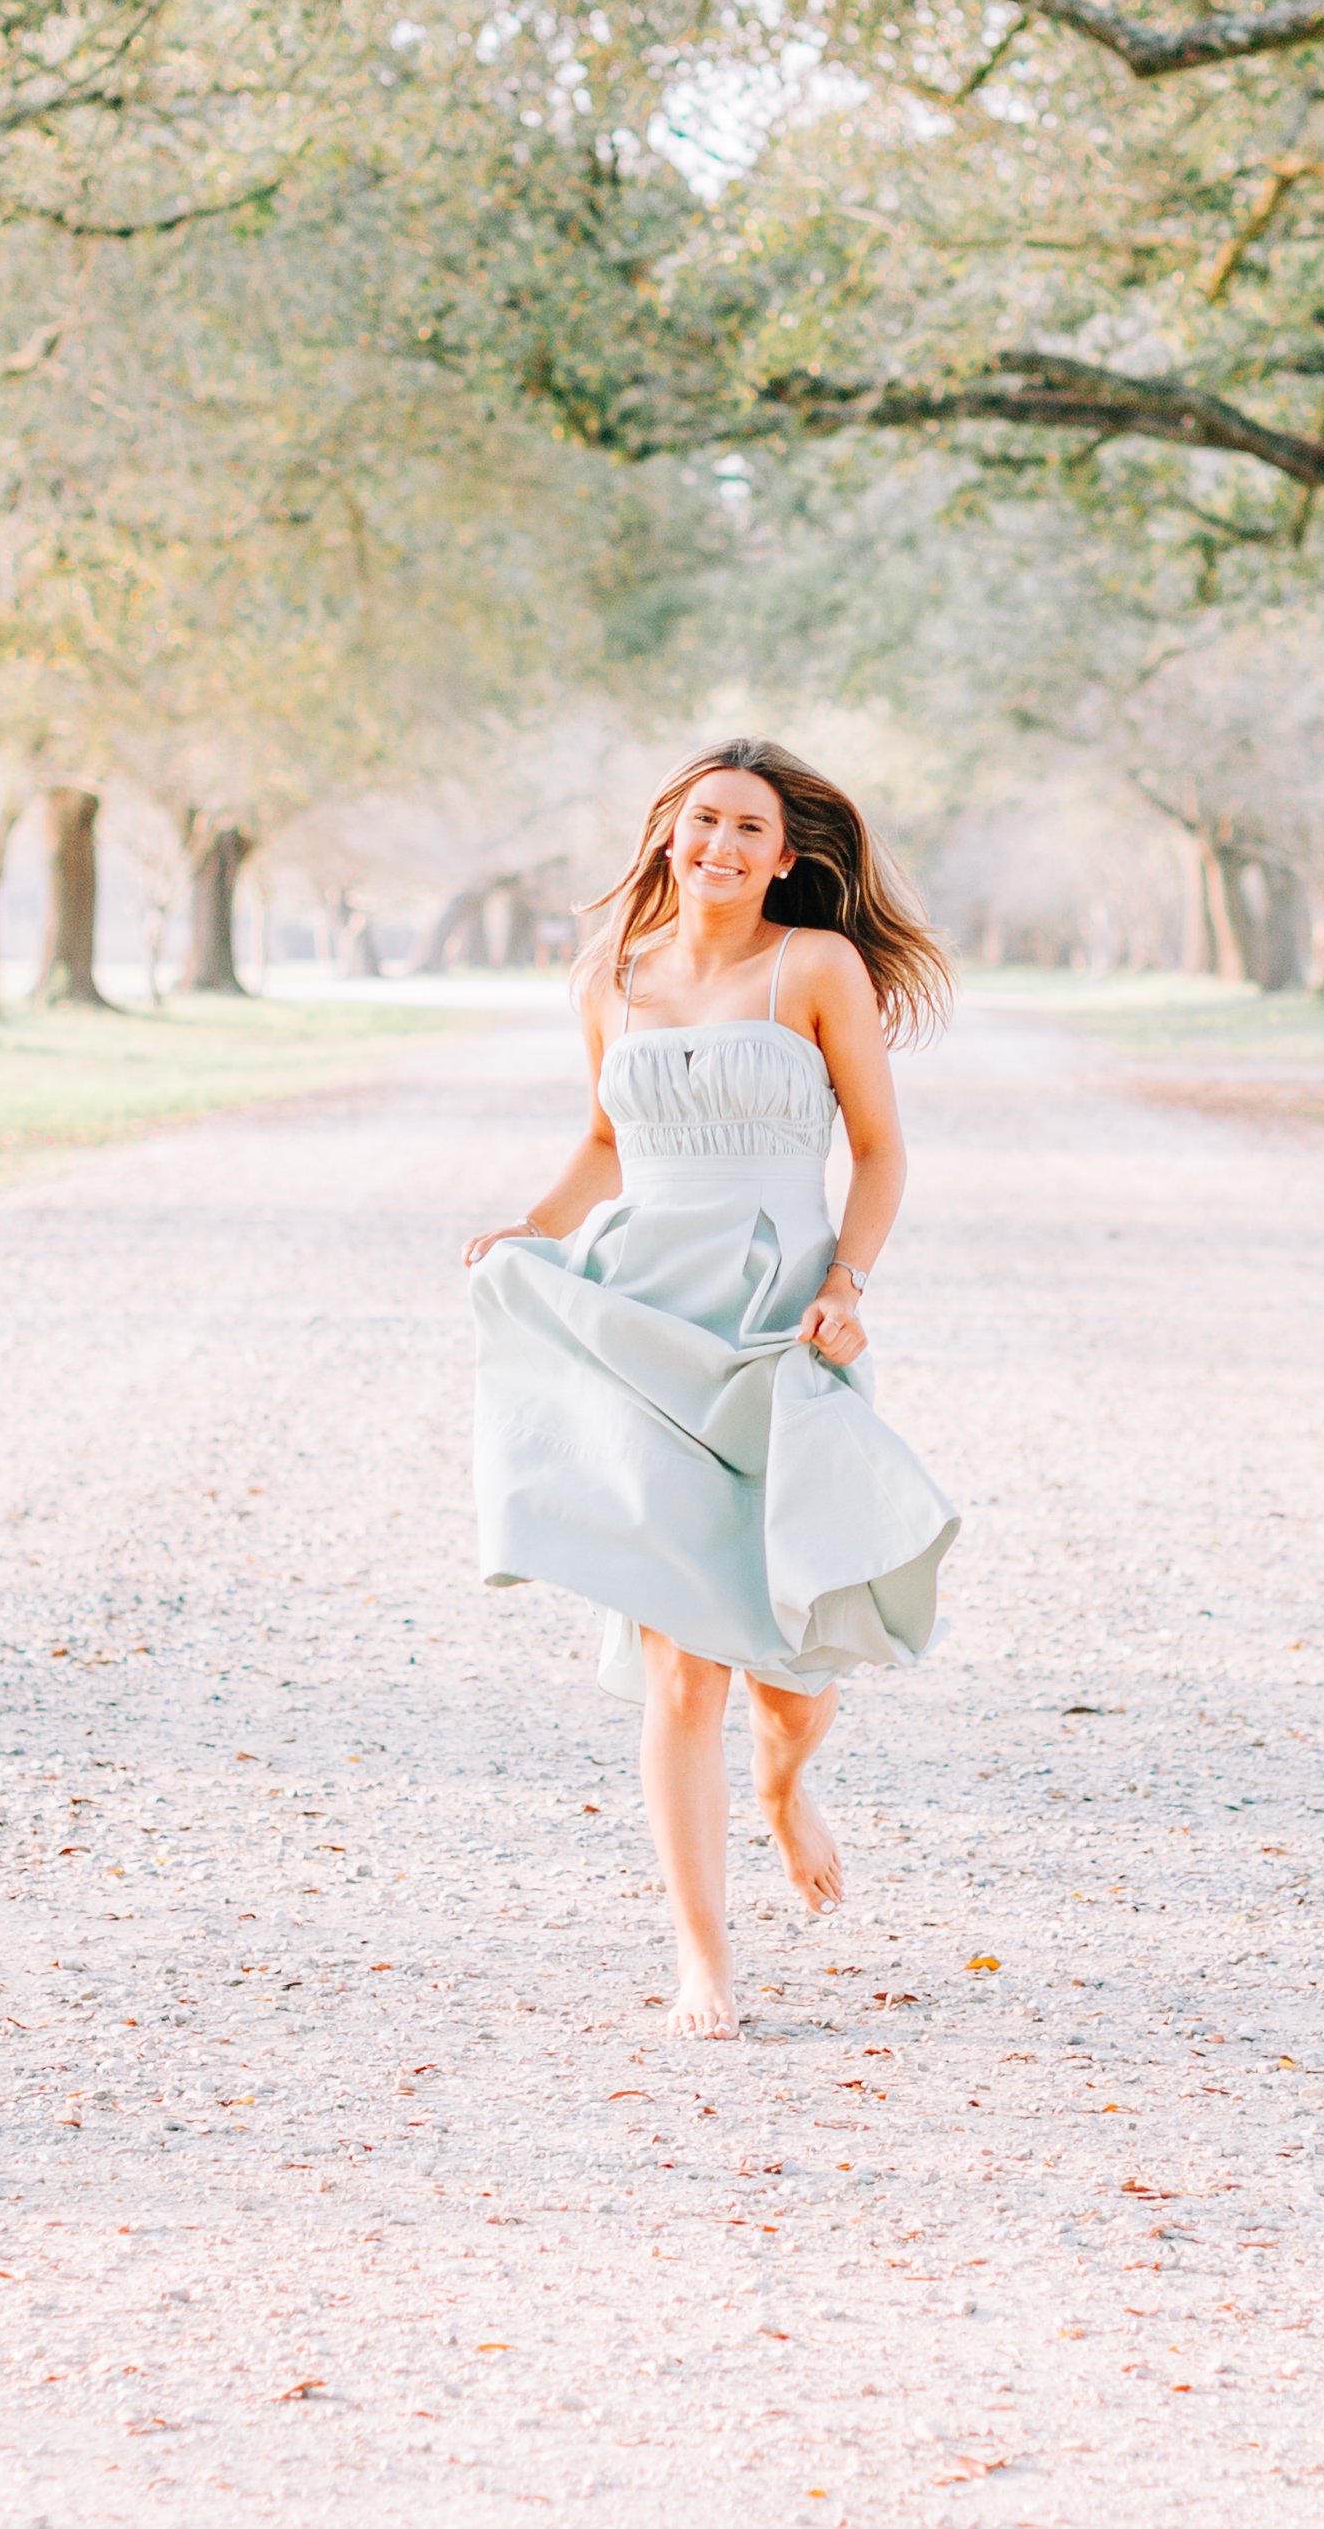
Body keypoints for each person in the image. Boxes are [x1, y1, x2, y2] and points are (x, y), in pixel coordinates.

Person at [465, 738, 959, 2038]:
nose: (721, 845)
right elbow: (600, 1138)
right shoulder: (611, 977)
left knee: (791, 1662)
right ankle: (701, 1955)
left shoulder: (815, 966)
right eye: (702, 821)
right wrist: (527, 1228)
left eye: (749, 827)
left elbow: (877, 1145)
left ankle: (785, 1787)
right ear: (668, 834)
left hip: (777, 1316)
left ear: (786, 855)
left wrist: (847, 1282)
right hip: (644, 1318)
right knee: (682, 1663)